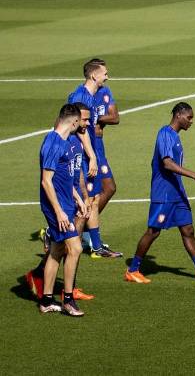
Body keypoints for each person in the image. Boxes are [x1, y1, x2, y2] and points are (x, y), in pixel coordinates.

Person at [125, 103, 195, 284]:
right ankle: (133, 270)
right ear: (179, 115)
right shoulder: (165, 133)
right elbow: (167, 163)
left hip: (177, 192)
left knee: (188, 229)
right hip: (164, 193)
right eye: (189, 117)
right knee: (153, 231)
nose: (191, 121)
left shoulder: (174, 136)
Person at [28, 104, 94, 303]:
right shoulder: (53, 144)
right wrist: (59, 212)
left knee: (57, 250)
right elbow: (46, 181)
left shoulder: (65, 142)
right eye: (82, 121)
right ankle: (68, 298)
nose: (85, 125)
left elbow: (65, 179)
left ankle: (47, 300)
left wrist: (78, 199)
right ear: (74, 122)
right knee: (76, 248)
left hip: (66, 202)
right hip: (57, 206)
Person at [67, 59, 117, 259]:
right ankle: (57, 236)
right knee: (83, 201)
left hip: (91, 153)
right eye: (105, 73)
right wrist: (91, 156)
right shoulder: (80, 97)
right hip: (82, 157)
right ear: (94, 75)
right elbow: (78, 129)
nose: (107, 76)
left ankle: (96, 247)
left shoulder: (92, 96)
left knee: (95, 198)